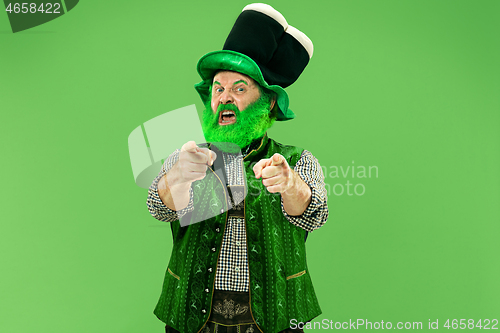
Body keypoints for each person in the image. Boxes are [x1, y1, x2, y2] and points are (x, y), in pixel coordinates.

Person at [147, 4, 329, 333]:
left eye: (239, 88)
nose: (225, 97)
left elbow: (314, 213)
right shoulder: (187, 157)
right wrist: (177, 176)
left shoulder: (297, 161)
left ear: (268, 102)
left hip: (274, 318)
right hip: (192, 317)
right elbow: (158, 207)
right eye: (218, 88)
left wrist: (290, 184)